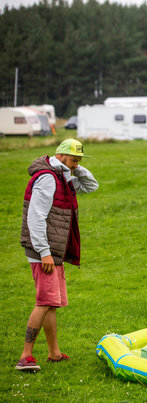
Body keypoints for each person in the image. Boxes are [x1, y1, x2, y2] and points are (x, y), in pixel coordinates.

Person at [16, 139, 99, 371]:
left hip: (54, 250)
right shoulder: (48, 178)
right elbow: (36, 217)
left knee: (51, 303)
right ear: (60, 156)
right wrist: (44, 253)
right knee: (44, 302)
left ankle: (54, 353)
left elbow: (92, 186)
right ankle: (25, 356)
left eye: (79, 161)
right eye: (74, 159)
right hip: (45, 251)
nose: (76, 165)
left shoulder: (64, 176)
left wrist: (75, 167)